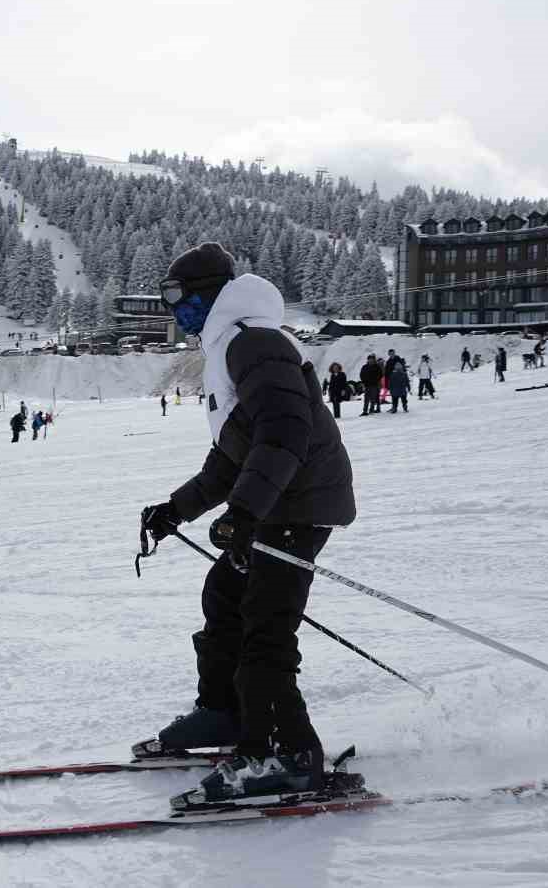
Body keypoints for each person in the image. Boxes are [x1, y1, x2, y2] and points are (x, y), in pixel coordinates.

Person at [139, 242, 356, 805]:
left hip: (298, 502)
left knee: (265, 621)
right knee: (227, 594)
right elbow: (232, 455)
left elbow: (285, 434)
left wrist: (244, 513)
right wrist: (176, 509)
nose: (172, 309)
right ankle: (226, 713)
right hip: (277, 500)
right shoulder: (233, 346)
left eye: (175, 296)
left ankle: (285, 752)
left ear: (206, 293)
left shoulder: (253, 342)